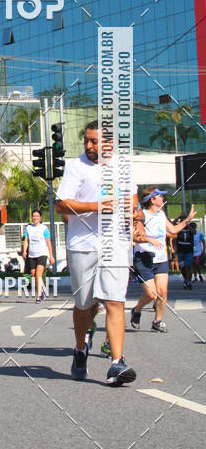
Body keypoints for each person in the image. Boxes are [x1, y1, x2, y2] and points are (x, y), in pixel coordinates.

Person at [55, 120, 138, 386]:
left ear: (110, 143)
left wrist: (136, 219)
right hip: (82, 245)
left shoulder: (123, 166)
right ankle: (80, 348)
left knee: (115, 301)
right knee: (85, 305)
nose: (89, 146)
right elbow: (61, 205)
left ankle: (116, 363)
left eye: (94, 141)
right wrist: (96, 206)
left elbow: (133, 200)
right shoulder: (76, 167)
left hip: (115, 244)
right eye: (87, 141)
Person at [130, 189, 195, 333]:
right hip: (144, 257)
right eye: (160, 196)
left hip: (161, 259)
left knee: (162, 293)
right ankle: (137, 310)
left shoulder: (161, 214)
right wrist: (148, 239)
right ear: (152, 199)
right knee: (150, 294)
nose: (162, 198)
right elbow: (133, 236)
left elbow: (172, 230)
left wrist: (187, 220)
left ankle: (157, 321)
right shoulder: (141, 215)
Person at [22, 209, 55, 302]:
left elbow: (48, 243)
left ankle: (39, 295)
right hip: (32, 254)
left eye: (37, 216)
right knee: (33, 275)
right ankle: (42, 291)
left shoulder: (44, 228)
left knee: (38, 274)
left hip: (42, 254)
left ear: (40, 217)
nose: (35, 218)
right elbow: (26, 241)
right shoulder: (29, 228)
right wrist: (24, 251)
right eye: (34, 216)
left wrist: (51, 256)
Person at [174, 216, 194, 290]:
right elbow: (171, 225)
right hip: (180, 251)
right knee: (182, 267)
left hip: (189, 251)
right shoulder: (178, 228)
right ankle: (185, 279)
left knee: (188, 267)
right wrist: (178, 218)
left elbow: (193, 232)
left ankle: (189, 282)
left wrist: (187, 224)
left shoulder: (191, 226)